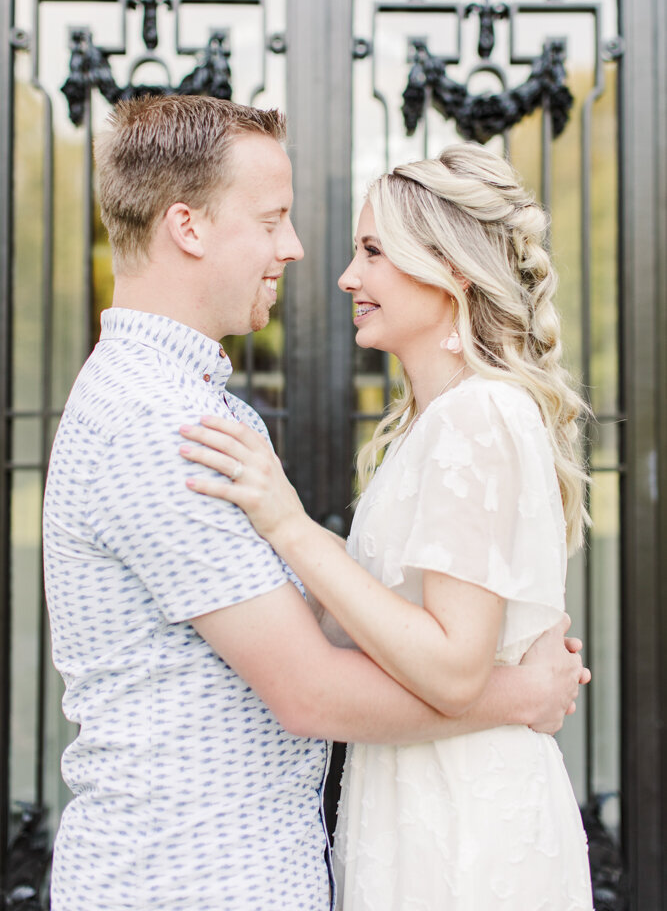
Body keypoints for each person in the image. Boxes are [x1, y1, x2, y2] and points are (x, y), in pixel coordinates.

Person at [42, 96, 587, 911]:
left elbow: (321, 626)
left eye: (371, 249)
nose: (300, 252)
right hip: (187, 882)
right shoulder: (154, 422)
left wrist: (297, 533)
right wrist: (521, 697)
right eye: (272, 220)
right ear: (188, 228)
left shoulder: (210, 409)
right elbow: (307, 688)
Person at [178, 141, 594, 910]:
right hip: (415, 796)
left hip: (464, 826)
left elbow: (450, 665)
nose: (346, 277)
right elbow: (383, 632)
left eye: (372, 251)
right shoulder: (430, 426)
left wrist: (290, 525)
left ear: (451, 271)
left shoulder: (478, 416)